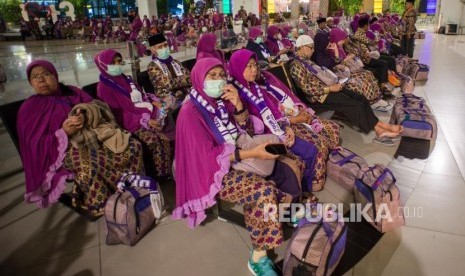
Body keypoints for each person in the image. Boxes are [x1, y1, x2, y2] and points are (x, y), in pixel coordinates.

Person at [173, 58, 300, 276]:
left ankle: (288, 209)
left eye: (221, 75)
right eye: (212, 76)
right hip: (211, 172)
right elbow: (206, 158)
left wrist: (239, 105)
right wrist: (253, 153)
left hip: (235, 155)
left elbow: (243, 131)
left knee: (289, 160)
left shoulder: (220, 103)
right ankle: (258, 258)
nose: (219, 80)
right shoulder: (189, 112)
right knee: (262, 192)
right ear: (198, 79)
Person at [18, 60, 144, 215]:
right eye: (35, 77)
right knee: (89, 166)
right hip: (64, 149)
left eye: (45, 74)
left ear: (55, 75)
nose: (41, 79)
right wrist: (63, 132)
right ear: (31, 82)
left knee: (132, 145)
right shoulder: (30, 107)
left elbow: (98, 107)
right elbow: (32, 145)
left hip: (94, 136)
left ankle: (134, 187)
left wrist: (86, 115)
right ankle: (102, 202)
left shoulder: (72, 91)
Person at [229, 49, 320, 191]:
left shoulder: (255, 87)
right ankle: (304, 188)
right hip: (261, 141)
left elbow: (275, 112)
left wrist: (286, 127)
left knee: (310, 149)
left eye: (255, 65)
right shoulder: (234, 96)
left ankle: (307, 187)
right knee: (307, 152)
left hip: (277, 131)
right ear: (238, 67)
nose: (254, 70)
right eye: (249, 66)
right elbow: (247, 132)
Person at [289, 35, 403, 145]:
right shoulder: (296, 65)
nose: (313, 50)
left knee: (360, 98)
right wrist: (329, 88)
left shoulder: (306, 60)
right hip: (318, 97)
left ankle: (380, 126)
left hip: (328, 89)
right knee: (353, 104)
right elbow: (306, 88)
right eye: (310, 47)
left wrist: (333, 85)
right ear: (302, 47)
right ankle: (380, 129)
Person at [95, 49, 172, 178]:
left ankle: (172, 163)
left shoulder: (126, 79)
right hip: (128, 122)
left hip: (142, 111)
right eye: (113, 62)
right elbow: (117, 114)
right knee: (154, 139)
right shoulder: (103, 88)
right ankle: (160, 174)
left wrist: (153, 102)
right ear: (103, 65)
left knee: (169, 119)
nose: (117, 65)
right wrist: (144, 120)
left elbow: (141, 96)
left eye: (119, 61)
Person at [314, 28, 384, 107]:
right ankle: (368, 101)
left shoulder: (330, 50)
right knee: (360, 80)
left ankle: (374, 98)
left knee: (368, 74)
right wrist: (343, 58)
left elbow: (335, 62)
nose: (329, 43)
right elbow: (332, 67)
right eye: (342, 39)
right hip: (338, 77)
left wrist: (338, 54)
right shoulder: (323, 54)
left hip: (342, 73)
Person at [146, 33, 191, 106]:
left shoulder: (176, 62)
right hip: (168, 99)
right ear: (153, 50)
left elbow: (190, 78)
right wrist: (183, 80)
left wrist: (184, 80)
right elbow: (168, 84)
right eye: (160, 47)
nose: (164, 48)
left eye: (165, 45)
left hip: (184, 94)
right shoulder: (152, 66)